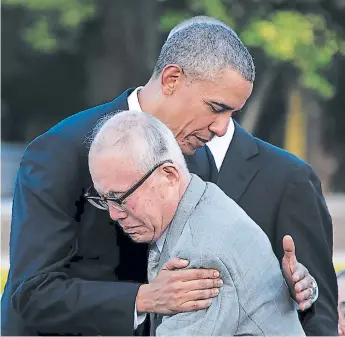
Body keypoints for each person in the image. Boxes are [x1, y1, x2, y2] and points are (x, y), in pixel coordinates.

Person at [1, 19, 333, 336]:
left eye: (232, 113)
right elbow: (31, 293)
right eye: (216, 107)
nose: (222, 128)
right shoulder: (60, 151)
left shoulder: (196, 159)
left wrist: (284, 287)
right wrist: (143, 299)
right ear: (171, 79)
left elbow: (215, 270)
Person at [87, 110, 306, 336]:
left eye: (121, 197)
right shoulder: (202, 202)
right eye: (104, 199)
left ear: (169, 176)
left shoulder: (200, 254)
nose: (114, 214)